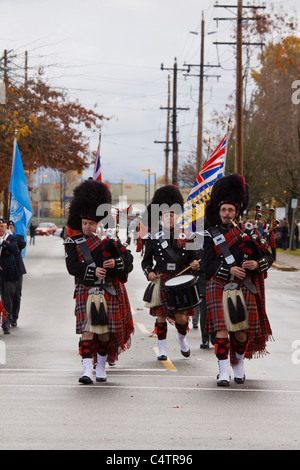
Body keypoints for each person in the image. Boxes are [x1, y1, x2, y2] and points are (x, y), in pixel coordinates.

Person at [202, 173, 274, 387]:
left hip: (244, 286)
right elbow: (207, 264)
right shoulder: (209, 234)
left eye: (230, 210)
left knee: (241, 332)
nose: (226, 213)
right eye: (223, 209)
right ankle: (223, 370)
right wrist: (228, 269)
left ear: (237, 211)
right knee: (222, 329)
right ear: (219, 210)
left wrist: (257, 265)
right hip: (219, 284)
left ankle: (239, 365)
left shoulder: (249, 233)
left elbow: (269, 256)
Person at [64, 179, 134, 385]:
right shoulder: (72, 242)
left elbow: (128, 261)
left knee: (103, 332)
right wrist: (94, 272)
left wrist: (115, 263)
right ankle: (86, 370)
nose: (87, 227)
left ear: (98, 223)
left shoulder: (109, 241)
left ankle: (101, 367)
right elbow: (72, 268)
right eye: (84, 223)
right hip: (85, 289)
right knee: (87, 330)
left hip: (107, 291)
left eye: (91, 223)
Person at [141, 185, 199, 360]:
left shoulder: (187, 236)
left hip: (181, 281)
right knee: (161, 316)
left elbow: (194, 258)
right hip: (161, 279)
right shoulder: (153, 237)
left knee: (181, 318)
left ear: (177, 216)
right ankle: (163, 349)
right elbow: (146, 261)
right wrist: (149, 272)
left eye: (173, 214)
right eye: (166, 214)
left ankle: (181, 339)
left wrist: (195, 264)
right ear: (161, 216)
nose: (169, 217)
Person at [0, 218, 20, 334]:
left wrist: (3, 242)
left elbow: (14, 249)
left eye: (2, 226)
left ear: (6, 227)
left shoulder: (11, 238)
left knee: (7, 300)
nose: (0, 228)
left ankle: (6, 323)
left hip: (8, 274)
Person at [7, 220, 26, 327]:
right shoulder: (2, 239)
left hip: (17, 270)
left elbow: (22, 244)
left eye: (11, 226)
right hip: (5, 270)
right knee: (6, 295)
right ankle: (7, 317)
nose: (9, 228)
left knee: (16, 295)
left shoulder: (18, 237)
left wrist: (11, 235)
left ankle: (14, 317)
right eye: (7, 226)